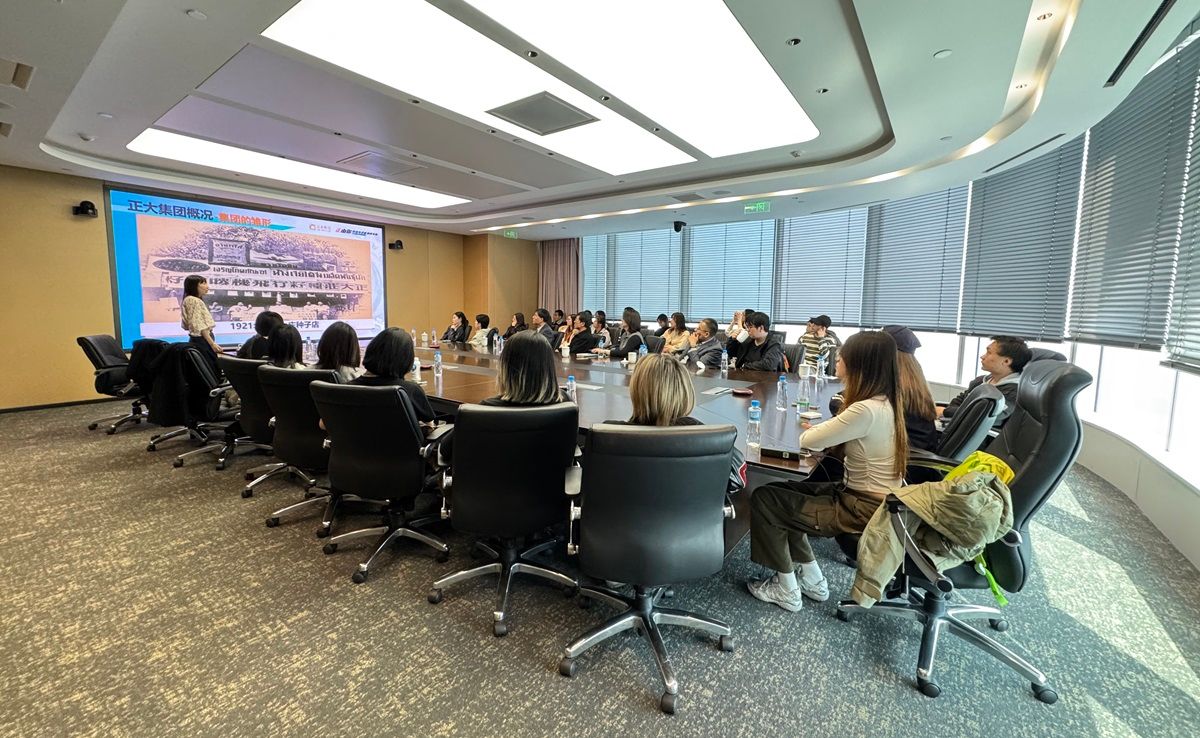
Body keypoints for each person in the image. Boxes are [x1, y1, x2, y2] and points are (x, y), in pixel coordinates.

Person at [747, 330, 908, 612]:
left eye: (841, 358)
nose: (836, 362)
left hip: (862, 508)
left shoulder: (865, 410)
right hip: (875, 501)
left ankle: (786, 589)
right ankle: (812, 578)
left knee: (766, 499)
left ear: (859, 365)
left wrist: (823, 430)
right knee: (783, 494)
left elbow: (809, 440)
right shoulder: (887, 402)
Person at [606, 354, 746, 491]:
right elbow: (738, 479)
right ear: (685, 390)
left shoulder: (608, 434)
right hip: (695, 506)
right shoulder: (705, 436)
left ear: (635, 390)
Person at [940, 336, 1032, 426]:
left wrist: (946, 412)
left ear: (1006, 361)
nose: (982, 356)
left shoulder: (1014, 392)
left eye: (989, 352)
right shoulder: (980, 381)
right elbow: (958, 401)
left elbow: (983, 416)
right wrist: (949, 411)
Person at [350, 328, 436, 422]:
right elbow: (429, 420)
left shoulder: (346, 389)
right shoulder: (409, 390)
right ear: (406, 359)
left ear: (371, 350)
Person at [180, 275, 222, 368]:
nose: (207, 286)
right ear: (193, 286)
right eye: (203, 283)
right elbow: (199, 325)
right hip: (202, 340)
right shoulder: (193, 300)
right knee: (210, 367)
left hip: (200, 339)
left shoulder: (190, 299)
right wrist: (212, 344)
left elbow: (188, 324)